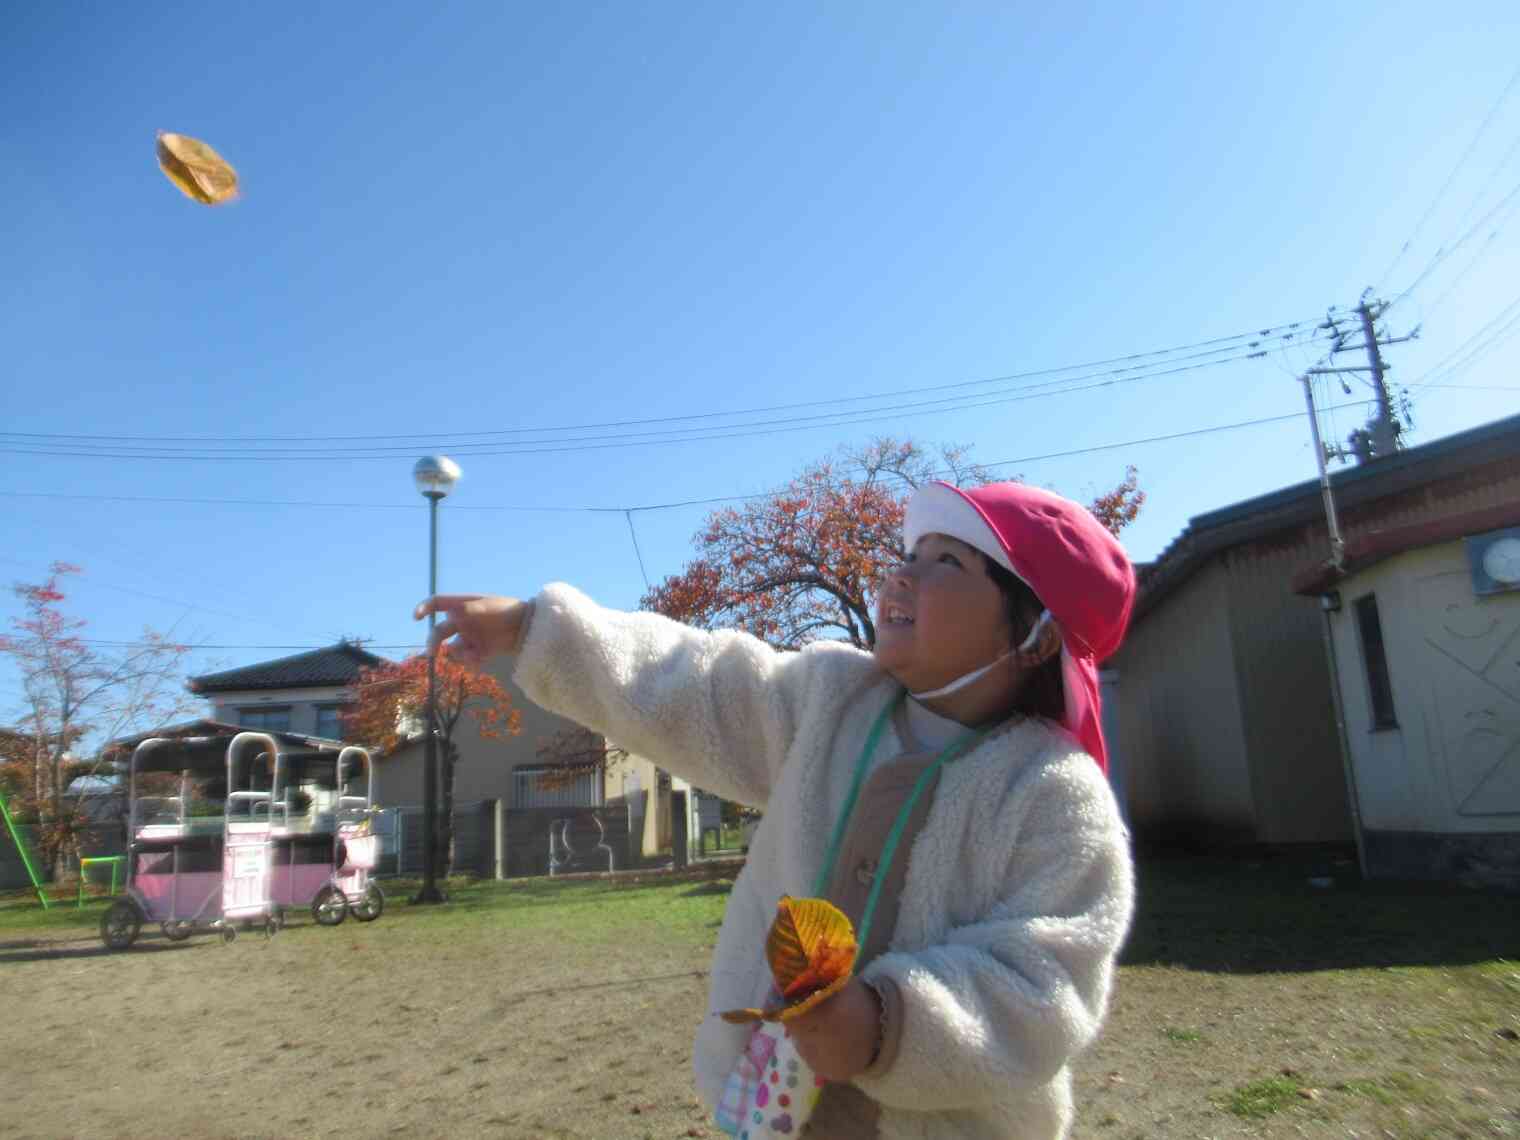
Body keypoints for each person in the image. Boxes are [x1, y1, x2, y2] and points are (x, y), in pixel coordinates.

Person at [416, 479, 1137, 1139]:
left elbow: (1044, 983)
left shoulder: (1052, 792)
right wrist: (542, 632)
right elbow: (697, 683)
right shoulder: (829, 701)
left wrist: (886, 1022)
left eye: (948, 562)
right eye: (910, 551)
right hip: (775, 1110)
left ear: (1036, 633)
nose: (902, 572)